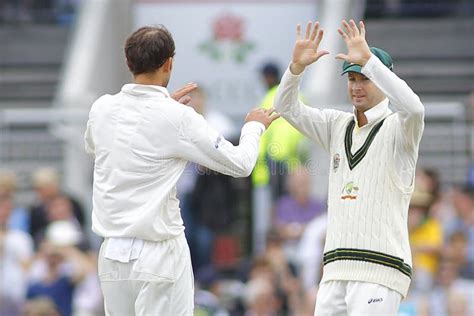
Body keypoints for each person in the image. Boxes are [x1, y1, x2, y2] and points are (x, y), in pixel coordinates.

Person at [84, 25, 279, 315]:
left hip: (112, 255)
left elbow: (99, 146)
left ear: (128, 63)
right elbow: (241, 164)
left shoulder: (101, 108)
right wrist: (254, 126)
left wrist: (163, 114)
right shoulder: (177, 117)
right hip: (158, 254)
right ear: (169, 63)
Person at [274, 20, 425, 315]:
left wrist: (368, 60)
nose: (356, 87)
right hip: (334, 270)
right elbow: (287, 108)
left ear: (382, 79)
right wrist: (295, 69)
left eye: (364, 79)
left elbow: (415, 107)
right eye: (352, 79)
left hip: (380, 269)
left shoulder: (400, 128)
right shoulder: (336, 125)